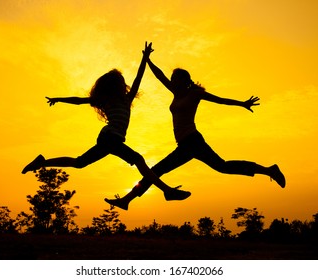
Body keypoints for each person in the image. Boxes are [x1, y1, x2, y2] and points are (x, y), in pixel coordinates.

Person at [105, 54, 286, 210]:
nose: (171, 81)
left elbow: (220, 100)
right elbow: (160, 77)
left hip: (193, 142)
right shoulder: (176, 93)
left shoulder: (194, 94)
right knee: (221, 166)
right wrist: (148, 59)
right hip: (185, 144)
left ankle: (128, 200)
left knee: (161, 169)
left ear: (184, 81)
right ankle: (268, 170)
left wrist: (242, 103)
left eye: (175, 79)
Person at [22, 42, 191, 202]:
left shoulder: (127, 99)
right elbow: (79, 100)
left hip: (109, 139)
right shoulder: (106, 100)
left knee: (79, 162)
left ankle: (42, 162)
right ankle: (167, 191)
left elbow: (139, 77)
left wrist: (144, 58)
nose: (124, 84)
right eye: (120, 83)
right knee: (139, 160)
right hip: (111, 138)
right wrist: (59, 99)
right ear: (114, 86)